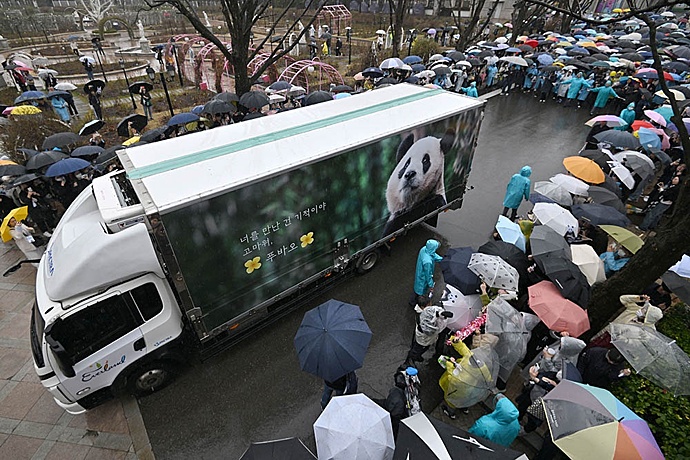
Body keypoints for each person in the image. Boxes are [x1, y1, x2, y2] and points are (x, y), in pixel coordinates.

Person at [406, 297, 453, 365]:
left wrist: (440, 313)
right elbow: (430, 329)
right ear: (422, 307)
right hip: (424, 338)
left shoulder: (423, 312)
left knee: (419, 346)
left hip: (424, 337)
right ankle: (414, 357)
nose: (431, 306)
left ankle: (415, 355)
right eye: (429, 304)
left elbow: (433, 313)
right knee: (420, 348)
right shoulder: (422, 317)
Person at [411, 239, 443, 306]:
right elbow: (428, 274)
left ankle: (413, 301)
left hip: (419, 273)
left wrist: (442, 259)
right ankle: (414, 303)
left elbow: (433, 255)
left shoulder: (424, 249)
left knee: (417, 289)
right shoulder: (427, 261)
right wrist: (431, 285)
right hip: (423, 278)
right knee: (420, 291)